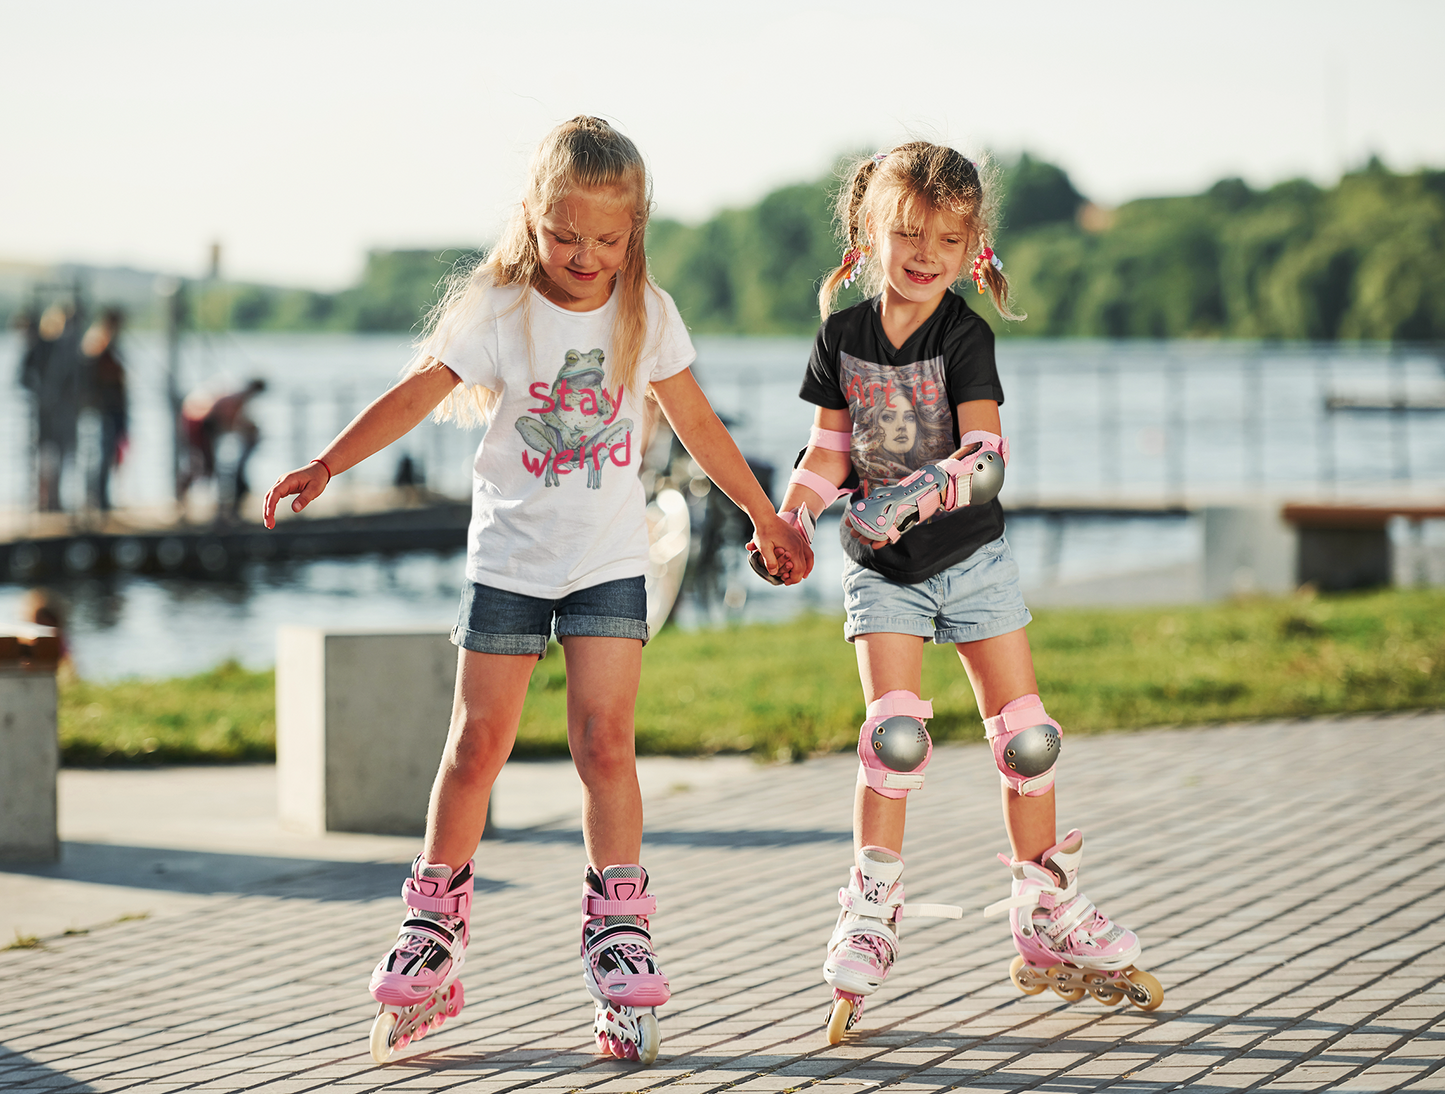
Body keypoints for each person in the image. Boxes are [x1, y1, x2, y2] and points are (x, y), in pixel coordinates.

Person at [262, 116, 812, 1065]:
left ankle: (619, 929)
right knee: (476, 745)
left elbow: (701, 429)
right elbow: (416, 391)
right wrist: (326, 464)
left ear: (634, 228)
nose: (585, 256)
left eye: (607, 238)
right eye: (566, 236)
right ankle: (433, 927)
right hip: (509, 563)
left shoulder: (648, 312)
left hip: (607, 560)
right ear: (533, 217)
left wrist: (768, 516)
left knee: (605, 743)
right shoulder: (499, 307)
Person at [771, 143, 1161, 1042]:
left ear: (969, 245)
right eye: (906, 231)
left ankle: (1043, 909)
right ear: (866, 230)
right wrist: (793, 516)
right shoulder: (841, 337)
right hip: (883, 571)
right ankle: (869, 909)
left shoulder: (962, 334)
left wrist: (917, 494)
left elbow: (984, 461)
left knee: (1027, 740)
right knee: (895, 734)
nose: (923, 251)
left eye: (945, 238)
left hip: (972, 557)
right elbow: (830, 451)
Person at [179, 378, 265, 518]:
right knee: (204, 466)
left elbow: (232, 423)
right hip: (202, 426)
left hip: (204, 426)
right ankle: (185, 498)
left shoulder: (236, 398)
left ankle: (198, 502)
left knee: (206, 466)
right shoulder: (236, 399)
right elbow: (228, 421)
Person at [81, 308, 129, 512]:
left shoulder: (112, 344)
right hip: (105, 409)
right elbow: (92, 374)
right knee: (101, 452)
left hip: (116, 407)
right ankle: (97, 499)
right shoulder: (98, 341)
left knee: (112, 453)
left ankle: (103, 498)